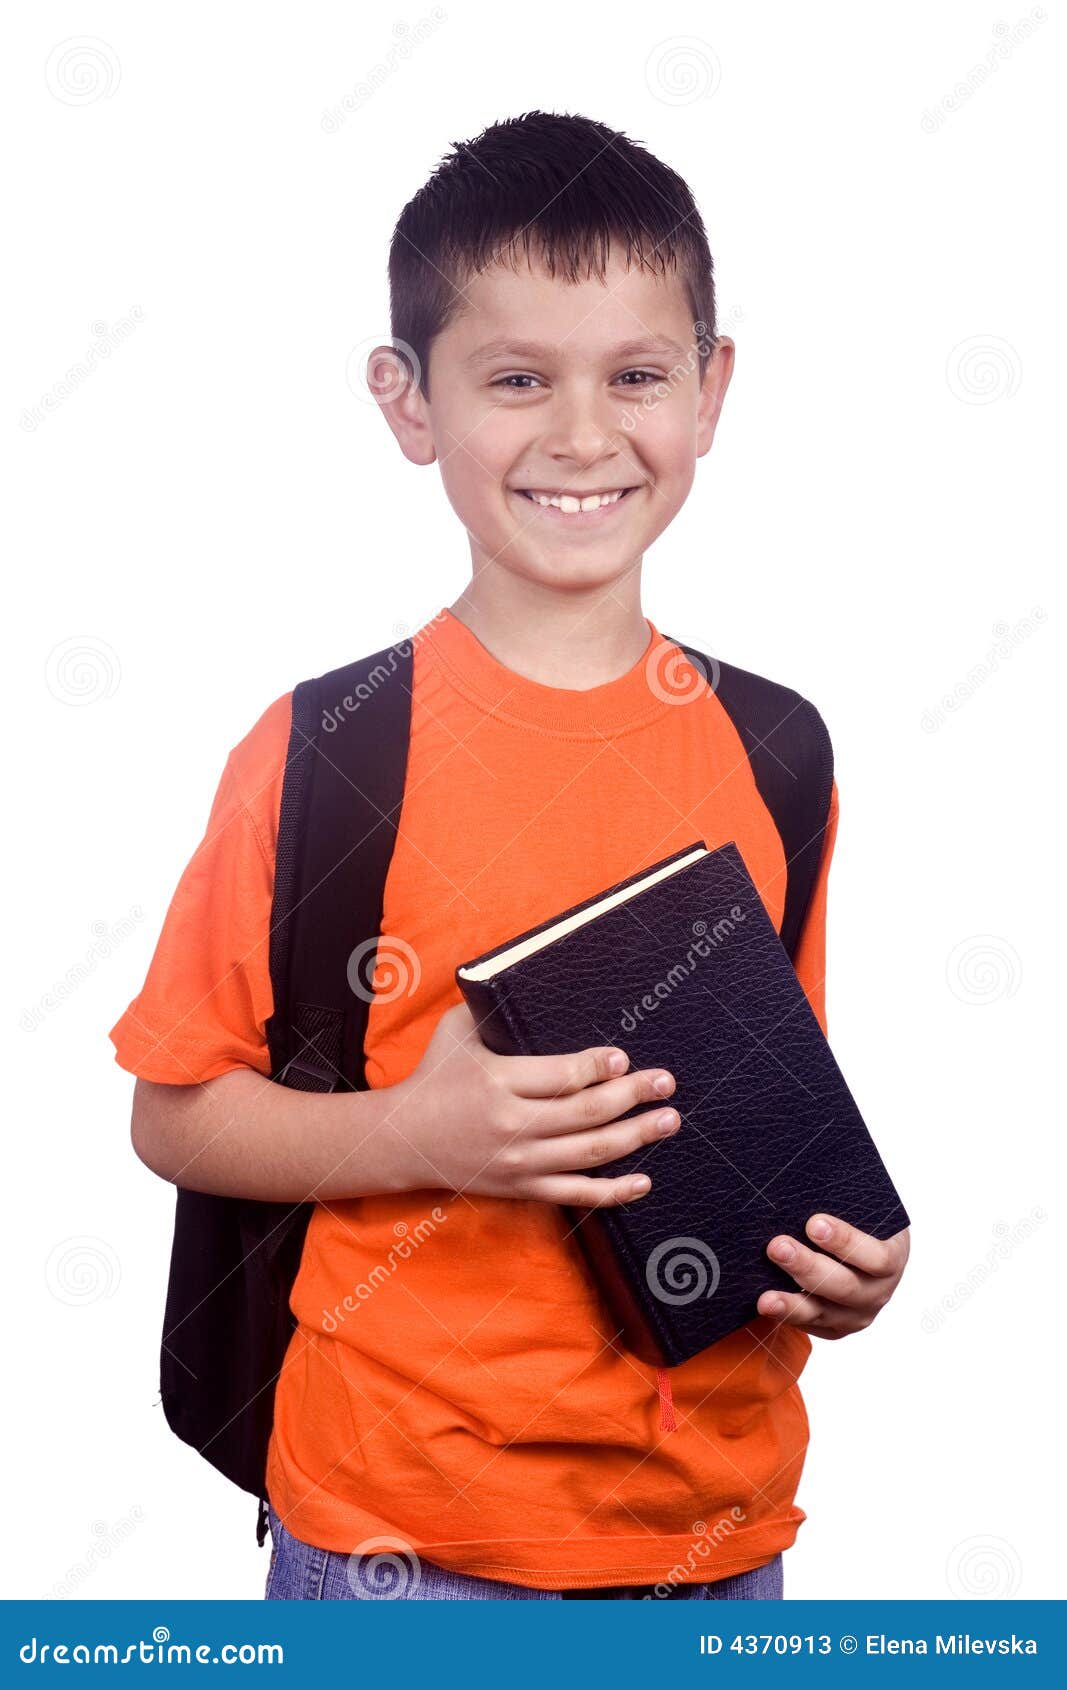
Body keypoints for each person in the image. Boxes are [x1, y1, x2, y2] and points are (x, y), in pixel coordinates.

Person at [110, 110, 910, 1601]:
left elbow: (769, 1122)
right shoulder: (329, 749)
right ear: (409, 403)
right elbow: (175, 1109)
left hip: (723, 1542)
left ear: (712, 389)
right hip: (401, 1547)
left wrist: (853, 1263)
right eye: (519, 378)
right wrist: (418, 1135)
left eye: (637, 375)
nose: (586, 435)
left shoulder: (779, 750)